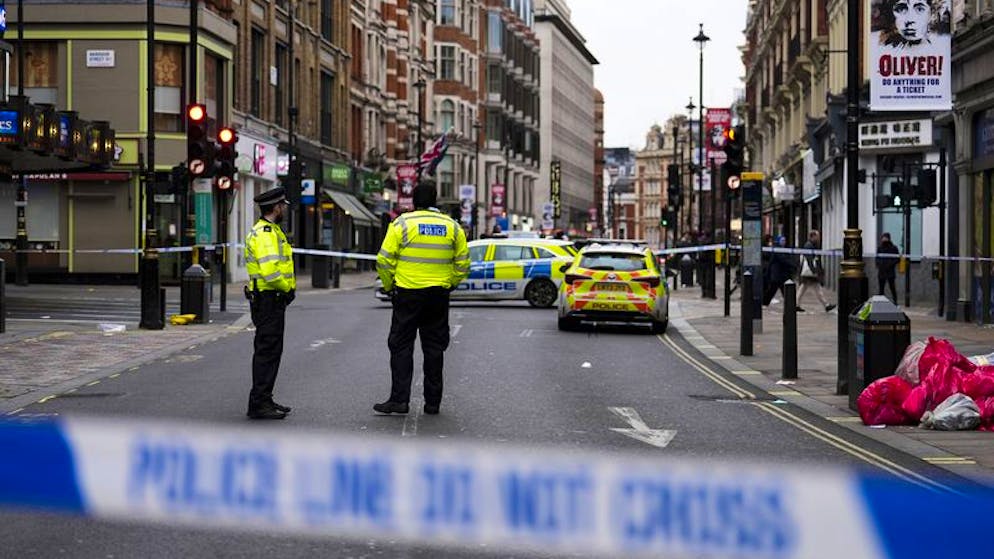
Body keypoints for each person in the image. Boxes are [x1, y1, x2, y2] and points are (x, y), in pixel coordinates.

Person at [374, 183, 470, 416]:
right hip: (438, 295)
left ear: (413, 200)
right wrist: (451, 283)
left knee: (401, 346)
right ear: (435, 200)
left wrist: (389, 285)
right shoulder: (452, 226)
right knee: (434, 348)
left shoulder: (402, 224)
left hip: (408, 293)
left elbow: (384, 260)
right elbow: (463, 263)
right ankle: (432, 403)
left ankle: (399, 400)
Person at [244, 186, 295, 420]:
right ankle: (259, 404)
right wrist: (287, 288)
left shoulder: (271, 230)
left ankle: (265, 398)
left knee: (271, 351)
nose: (284, 208)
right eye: (282, 205)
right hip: (268, 299)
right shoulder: (265, 234)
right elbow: (270, 272)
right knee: (267, 352)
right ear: (276, 207)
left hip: (270, 298)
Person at [796, 230, 837, 313]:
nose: (818, 238)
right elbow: (809, 259)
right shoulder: (809, 246)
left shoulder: (812, 245)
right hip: (809, 271)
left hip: (810, 271)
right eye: (817, 236)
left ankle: (797, 304)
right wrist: (813, 270)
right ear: (813, 236)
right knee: (809, 288)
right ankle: (826, 305)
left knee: (809, 288)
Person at [764, 235, 796, 305]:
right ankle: (790, 304)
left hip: (781, 274)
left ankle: (790, 304)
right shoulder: (777, 249)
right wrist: (792, 264)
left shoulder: (783, 249)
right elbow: (783, 259)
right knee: (775, 289)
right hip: (777, 273)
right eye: (782, 240)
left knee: (777, 289)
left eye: (784, 240)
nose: (784, 242)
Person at [877, 232, 900, 302]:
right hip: (882, 271)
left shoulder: (893, 248)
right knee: (881, 289)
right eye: (883, 238)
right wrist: (880, 264)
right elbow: (877, 258)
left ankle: (895, 301)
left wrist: (890, 264)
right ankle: (880, 302)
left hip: (890, 271)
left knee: (892, 287)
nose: (884, 239)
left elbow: (897, 259)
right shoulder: (880, 248)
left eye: (885, 238)